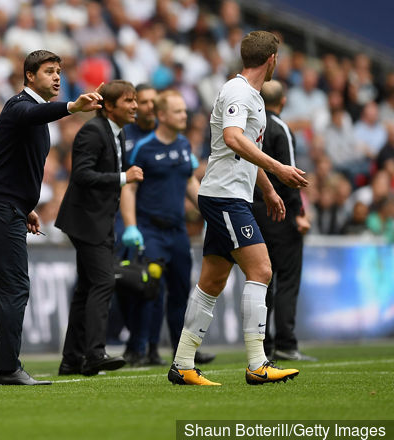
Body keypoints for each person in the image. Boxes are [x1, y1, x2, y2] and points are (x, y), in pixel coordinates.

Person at [167, 31, 309, 386]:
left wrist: (268, 189)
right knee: (261, 269)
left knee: (211, 282)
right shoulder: (238, 91)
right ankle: (257, 363)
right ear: (272, 59)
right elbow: (232, 138)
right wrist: (278, 168)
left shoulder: (254, 97)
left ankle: (183, 364)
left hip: (232, 193)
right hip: (225, 196)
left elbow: (244, 150)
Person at [0, 50, 103, 386]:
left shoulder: (32, 113)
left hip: (2, 205)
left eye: (59, 72)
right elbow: (32, 114)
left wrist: (26, 205)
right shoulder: (19, 106)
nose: (57, 78)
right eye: (48, 72)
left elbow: (12, 163)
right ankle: (8, 367)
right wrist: (72, 107)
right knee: (15, 288)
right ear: (29, 76)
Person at [120, 90, 215, 366]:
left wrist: (209, 212)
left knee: (180, 291)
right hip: (150, 230)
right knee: (148, 289)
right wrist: (130, 226)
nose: (184, 115)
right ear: (161, 115)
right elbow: (130, 188)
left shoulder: (185, 145)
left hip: (178, 231)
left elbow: (189, 183)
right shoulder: (144, 148)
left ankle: (181, 352)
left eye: (184, 111)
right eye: (178, 112)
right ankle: (140, 349)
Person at [56, 80, 144, 376]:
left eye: (135, 100)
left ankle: (71, 359)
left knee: (86, 289)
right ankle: (95, 353)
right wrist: (123, 177)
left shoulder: (115, 133)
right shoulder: (93, 131)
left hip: (99, 219)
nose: (135, 106)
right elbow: (82, 175)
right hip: (86, 220)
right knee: (104, 282)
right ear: (109, 106)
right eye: (129, 101)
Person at [251, 80, 316, 362]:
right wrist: (299, 215)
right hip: (279, 212)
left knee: (261, 279)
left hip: (252, 211)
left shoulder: (251, 127)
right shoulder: (280, 128)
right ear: (284, 101)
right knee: (286, 278)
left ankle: (261, 346)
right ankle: (286, 343)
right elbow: (289, 177)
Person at [109, 83, 157, 363]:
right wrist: (128, 224)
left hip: (152, 220)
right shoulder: (125, 135)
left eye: (152, 102)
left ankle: (147, 345)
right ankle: (132, 341)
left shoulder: (165, 137)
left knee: (153, 286)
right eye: (143, 101)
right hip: (124, 219)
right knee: (126, 282)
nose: (147, 107)